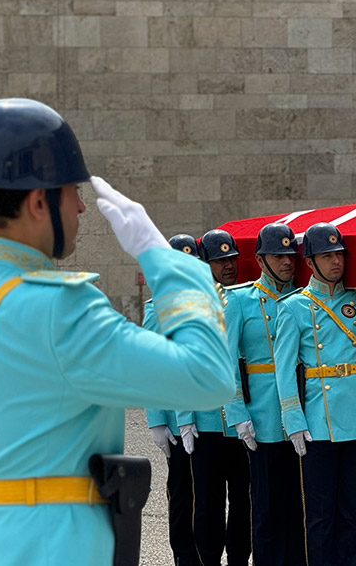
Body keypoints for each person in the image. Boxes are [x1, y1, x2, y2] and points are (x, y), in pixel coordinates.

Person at [0, 98, 234, 565]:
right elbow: (207, 375)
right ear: (38, 202)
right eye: (71, 192)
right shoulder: (62, 310)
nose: (79, 206)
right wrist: (168, 262)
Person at [273, 222, 356, 566]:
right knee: (322, 516)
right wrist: (292, 420)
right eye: (327, 256)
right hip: (318, 423)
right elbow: (284, 370)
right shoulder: (294, 306)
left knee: (352, 512)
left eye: (339, 254)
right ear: (309, 262)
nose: (336, 262)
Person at [221, 223, 305, 566]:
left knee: (298, 506)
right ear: (260, 259)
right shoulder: (240, 300)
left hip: (302, 411)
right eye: (277, 256)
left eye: (290, 255)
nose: (287, 262)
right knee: (267, 506)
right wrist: (237, 414)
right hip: (263, 416)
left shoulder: (303, 299)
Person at [177, 228, 252, 566]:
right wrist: (184, 417)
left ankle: (238, 558)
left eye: (232, 258)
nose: (229, 266)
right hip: (206, 419)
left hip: (240, 420)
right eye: (220, 261)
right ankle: (208, 558)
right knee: (206, 501)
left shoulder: (245, 299)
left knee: (242, 499)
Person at [142, 233, 203, 566]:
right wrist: (156, 420)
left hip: (201, 414)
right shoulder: (159, 308)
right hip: (174, 420)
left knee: (204, 494)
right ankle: (184, 555)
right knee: (183, 491)